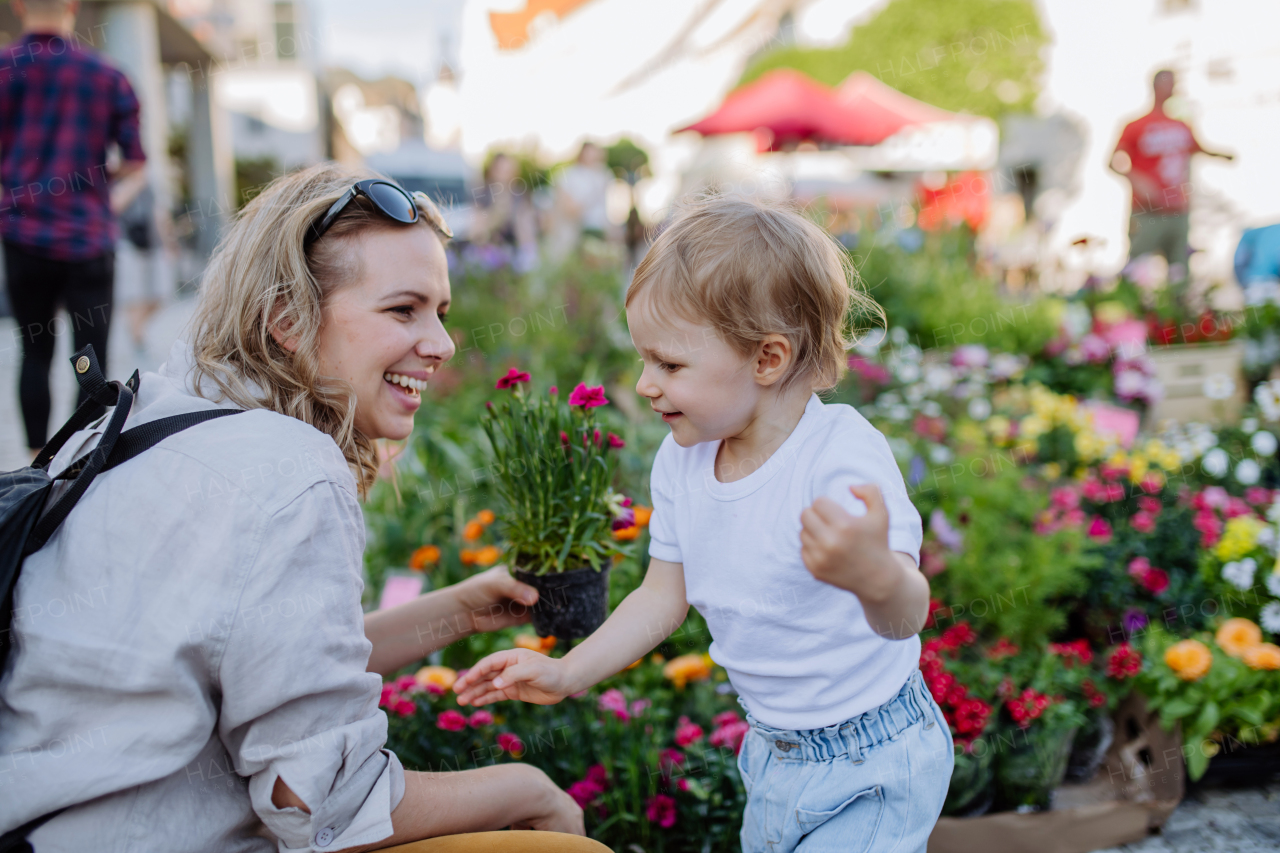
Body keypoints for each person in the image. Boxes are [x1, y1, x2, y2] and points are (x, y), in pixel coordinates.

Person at [0, 164, 586, 850]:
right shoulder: (291, 470)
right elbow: (321, 803)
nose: (443, 343)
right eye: (404, 309)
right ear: (287, 319)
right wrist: (531, 788)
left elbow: (254, 655)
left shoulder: (158, 410)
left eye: (441, 311)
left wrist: (462, 610)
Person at [456, 194, 952, 852]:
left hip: (875, 762)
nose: (645, 384)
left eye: (669, 364)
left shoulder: (838, 458)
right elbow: (663, 596)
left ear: (767, 359)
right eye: (643, 359)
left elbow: (905, 615)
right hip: (774, 756)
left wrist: (873, 576)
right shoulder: (684, 460)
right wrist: (568, 671)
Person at [0, 0, 148, 459]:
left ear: (19, 6)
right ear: (72, 5)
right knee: (89, 358)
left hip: (24, 237)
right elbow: (137, 162)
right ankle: (79, 463)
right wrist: (109, 203)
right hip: (88, 239)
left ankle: (33, 467)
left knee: (34, 352)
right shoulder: (105, 74)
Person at [1110, 69, 1234, 282]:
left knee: (1179, 273)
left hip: (1178, 211)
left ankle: (1177, 314)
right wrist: (1137, 180)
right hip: (1148, 211)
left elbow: (1200, 148)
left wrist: (1224, 154)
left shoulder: (1182, 125)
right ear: (1157, 85)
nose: (1174, 87)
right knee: (1136, 271)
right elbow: (1113, 162)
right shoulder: (1135, 126)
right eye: (1170, 83)